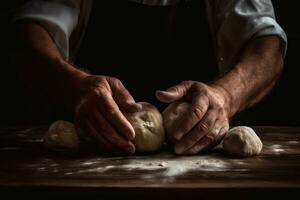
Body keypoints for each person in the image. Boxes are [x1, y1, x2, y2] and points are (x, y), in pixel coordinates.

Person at [9, 0, 287, 155]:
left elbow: (266, 46)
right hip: (86, 149)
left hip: (198, 152)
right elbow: (29, 35)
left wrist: (226, 95)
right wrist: (72, 85)